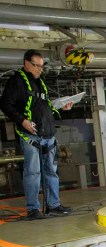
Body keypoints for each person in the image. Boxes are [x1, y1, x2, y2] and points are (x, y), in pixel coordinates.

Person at [0, 49, 73, 220]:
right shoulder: (16, 81)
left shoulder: (40, 82)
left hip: (47, 135)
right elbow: (5, 104)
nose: (40, 69)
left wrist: (61, 108)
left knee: (51, 172)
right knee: (33, 173)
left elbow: (43, 108)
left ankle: (53, 205)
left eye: (42, 66)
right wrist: (23, 121)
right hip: (30, 136)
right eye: (37, 66)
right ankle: (33, 209)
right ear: (26, 63)